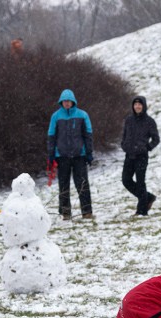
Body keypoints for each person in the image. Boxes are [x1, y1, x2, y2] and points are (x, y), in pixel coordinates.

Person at [47, 89, 94, 221]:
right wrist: (51, 155)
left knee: (83, 184)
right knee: (63, 185)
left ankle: (87, 211)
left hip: (80, 155)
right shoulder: (55, 117)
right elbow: (51, 136)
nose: (67, 103)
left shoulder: (83, 115)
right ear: (61, 102)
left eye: (69, 101)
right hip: (62, 156)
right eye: (64, 101)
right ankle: (65, 213)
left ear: (73, 101)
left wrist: (89, 153)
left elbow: (88, 135)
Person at [120, 96, 160, 216]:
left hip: (141, 156)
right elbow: (124, 135)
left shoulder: (149, 121)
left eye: (140, 104)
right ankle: (148, 197)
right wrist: (124, 145)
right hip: (129, 155)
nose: (137, 106)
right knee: (126, 180)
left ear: (144, 106)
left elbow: (156, 139)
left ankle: (141, 211)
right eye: (135, 104)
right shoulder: (129, 120)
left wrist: (147, 147)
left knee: (140, 182)